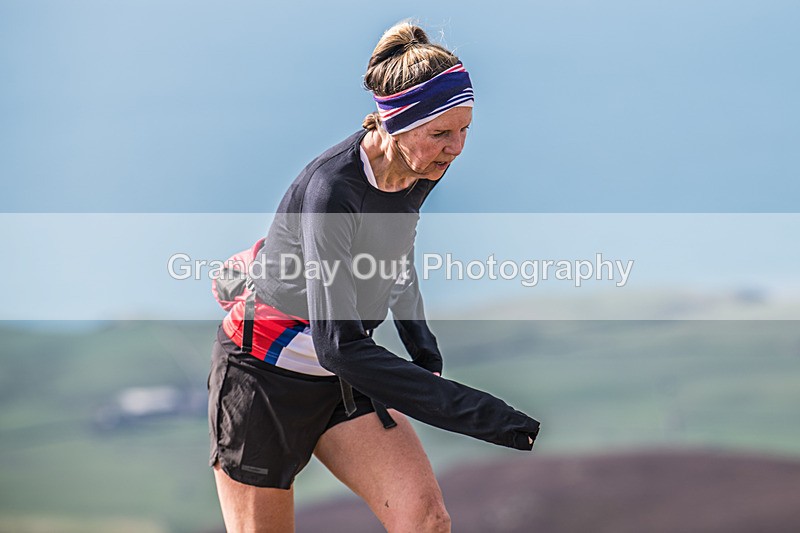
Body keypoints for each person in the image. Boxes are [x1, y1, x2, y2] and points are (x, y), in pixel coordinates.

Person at [207, 21, 540, 533]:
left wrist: (423, 350)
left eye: (465, 129)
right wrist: (485, 414)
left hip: (342, 378)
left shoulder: (421, 165)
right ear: (394, 124)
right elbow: (337, 345)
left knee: (425, 521)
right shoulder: (332, 192)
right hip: (264, 378)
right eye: (442, 133)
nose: (457, 148)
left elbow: (394, 252)